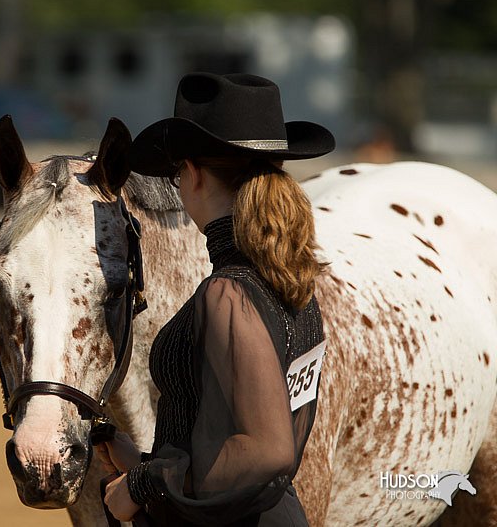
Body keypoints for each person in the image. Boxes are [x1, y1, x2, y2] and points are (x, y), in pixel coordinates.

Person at [96, 72, 336, 526]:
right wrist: (144, 461)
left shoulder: (229, 293)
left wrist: (142, 485)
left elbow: (267, 451)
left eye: (175, 173)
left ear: (193, 174)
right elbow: (230, 433)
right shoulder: (292, 283)